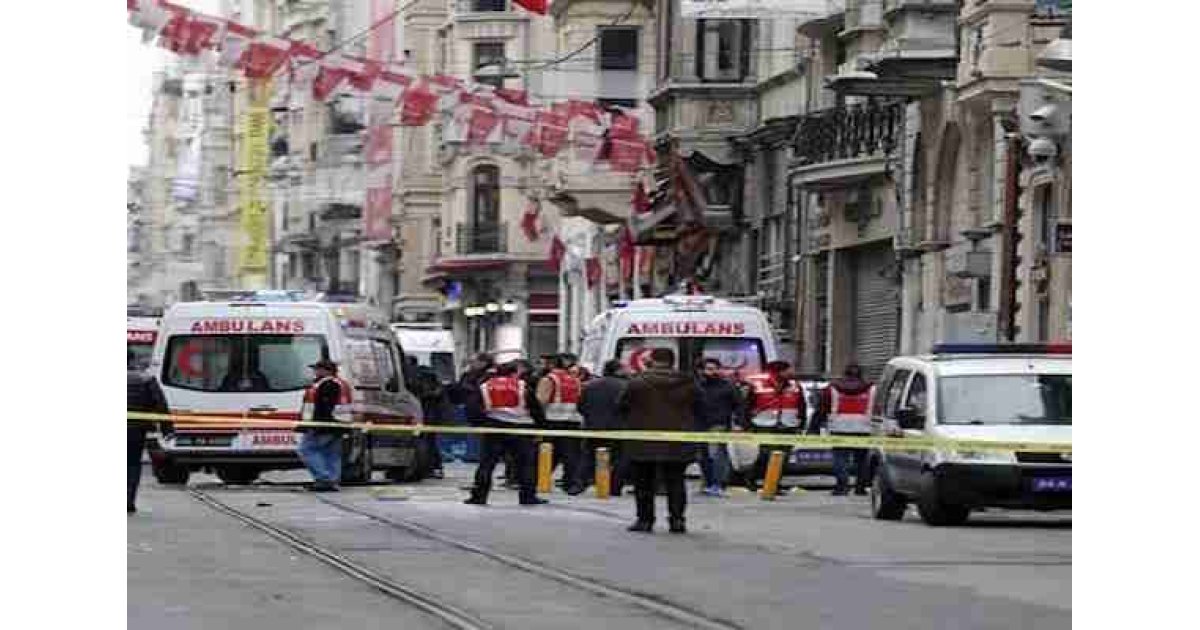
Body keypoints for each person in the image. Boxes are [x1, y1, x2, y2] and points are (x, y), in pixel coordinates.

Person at [619, 347, 701, 534]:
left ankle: (645, 520)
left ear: (652, 360)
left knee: (643, 482)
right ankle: (677, 520)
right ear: (673, 361)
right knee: (676, 482)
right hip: (678, 440)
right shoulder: (688, 382)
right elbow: (701, 406)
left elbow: (622, 406)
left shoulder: (637, 383)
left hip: (643, 439)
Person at [464, 362, 547, 506]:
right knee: (525, 465)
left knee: (487, 464)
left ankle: (479, 496)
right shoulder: (522, 385)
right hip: (521, 429)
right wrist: (540, 426)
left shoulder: (485, 386)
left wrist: (483, 424)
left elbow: (472, 408)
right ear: (514, 373)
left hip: (494, 427)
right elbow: (535, 407)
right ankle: (527, 497)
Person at [739, 360, 806, 497]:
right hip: (765, 424)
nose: (791, 373)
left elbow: (801, 406)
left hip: (788, 425)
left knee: (783, 457)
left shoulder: (794, 385)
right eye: (788, 370)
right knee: (766, 455)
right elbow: (748, 405)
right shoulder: (758, 384)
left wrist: (801, 424)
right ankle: (751, 479)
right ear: (779, 371)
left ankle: (775, 483)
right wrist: (747, 424)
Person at [818, 363, 876, 496]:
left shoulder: (833, 388)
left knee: (840, 459)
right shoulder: (871, 388)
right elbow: (877, 407)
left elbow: (823, 407)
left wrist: (819, 424)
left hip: (839, 427)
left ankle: (842, 487)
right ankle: (860, 488)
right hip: (863, 428)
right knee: (861, 460)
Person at [296, 359, 352, 492]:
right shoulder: (341, 384)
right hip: (338, 425)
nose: (315, 372)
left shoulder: (327, 385)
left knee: (307, 450)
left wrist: (316, 427)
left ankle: (324, 479)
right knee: (331, 454)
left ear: (325, 370)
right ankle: (332, 480)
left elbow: (323, 408)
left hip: (324, 425)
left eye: (317, 369)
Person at [577, 359, 630, 496]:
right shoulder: (626, 385)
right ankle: (614, 487)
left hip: (594, 427)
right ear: (618, 370)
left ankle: (580, 483)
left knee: (589, 456)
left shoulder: (590, 385)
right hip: (619, 428)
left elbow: (581, 407)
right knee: (620, 458)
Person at [536, 353, 586, 495]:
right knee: (571, 454)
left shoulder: (549, 379)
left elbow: (541, 400)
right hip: (573, 421)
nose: (540, 366)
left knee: (548, 452)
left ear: (551, 365)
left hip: (553, 420)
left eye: (542, 363)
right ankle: (571, 483)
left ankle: (541, 480)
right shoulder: (575, 380)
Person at [128, 357, 171, 513]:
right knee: (132, 464)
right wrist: (167, 428)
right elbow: (160, 403)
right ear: (132, 362)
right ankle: (129, 500)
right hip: (136, 429)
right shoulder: (146, 379)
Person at [694, 358, 742, 497]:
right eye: (709, 369)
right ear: (701, 370)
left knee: (716, 454)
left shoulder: (727, 386)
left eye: (715, 368)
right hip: (698, 425)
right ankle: (708, 483)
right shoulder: (696, 386)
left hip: (718, 424)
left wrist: (738, 422)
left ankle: (718, 483)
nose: (713, 372)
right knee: (702, 456)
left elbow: (738, 404)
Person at [408, 356, 448, 479]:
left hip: (424, 412)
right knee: (429, 441)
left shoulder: (414, 375)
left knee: (425, 440)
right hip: (431, 413)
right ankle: (433, 467)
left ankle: (429, 467)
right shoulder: (431, 376)